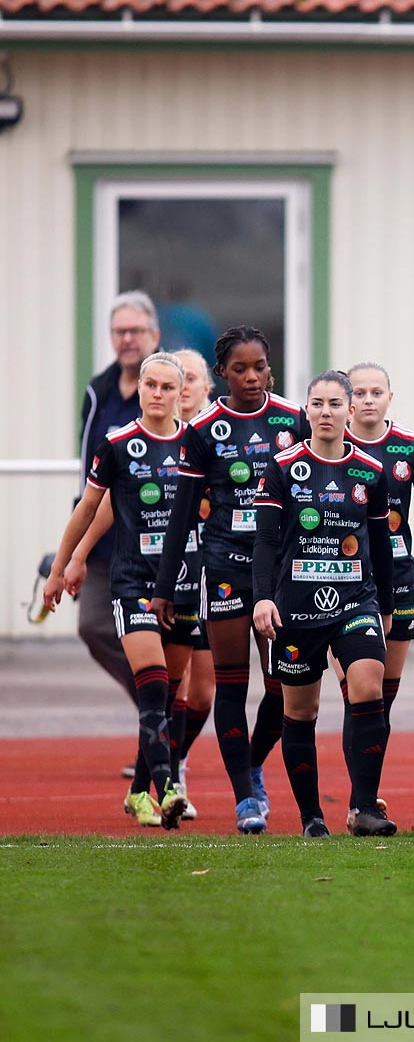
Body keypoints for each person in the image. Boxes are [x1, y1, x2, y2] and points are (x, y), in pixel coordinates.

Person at [155, 326, 309, 834]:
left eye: (259, 366)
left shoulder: (294, 420)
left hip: (281, 574)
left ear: (271, 367)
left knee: (282, 686)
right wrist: (162, 587)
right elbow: (180, 514)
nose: (251, 376)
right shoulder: (204, 429)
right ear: (222, 373)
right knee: (230, 684)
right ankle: (245, 798)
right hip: (222, 566)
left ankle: (252, 762)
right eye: (239, 369)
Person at [64, 346, 218, 821]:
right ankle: (170, 785)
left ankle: (140, 791)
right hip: (133, 583)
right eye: (151, 385)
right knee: (154, 687)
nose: (159, 392)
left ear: (186, 392)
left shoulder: (202, 446)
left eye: (170, 386)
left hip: (189, 584)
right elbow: (94, 507)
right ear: (142, 389)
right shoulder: (118, 444)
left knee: (182, 695)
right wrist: (68, 562)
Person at [250, 370, 397, 838]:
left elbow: (380, 543)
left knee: (368, 685)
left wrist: (387, 606)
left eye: (336, 404)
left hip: (356, 599)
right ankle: (312, 817)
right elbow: (266, 544)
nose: (326, 412)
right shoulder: (281, 467)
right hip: (296, 607)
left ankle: (363, 809)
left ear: (351, 411)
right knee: (301, 712)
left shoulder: (369, 471)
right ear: (306, 410)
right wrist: (262, 600)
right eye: (317, 404)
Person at [339, 361, 414, 829]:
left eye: (375, 392)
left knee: (383, 697)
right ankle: (359, 800)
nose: (366, 399)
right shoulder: (324, 444)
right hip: (339, 584)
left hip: (398, 581)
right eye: (357, 392)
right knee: (358, 691)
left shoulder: (409, 446)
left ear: (389, 396)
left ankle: (365, 795)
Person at [76, 293, 162, 719]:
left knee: (161, 637)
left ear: (154, 335)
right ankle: (158, 710)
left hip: (157, 543)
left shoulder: (167, 387)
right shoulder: (99, 391)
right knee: (92, 627)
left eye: (136, 331)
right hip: (103, 541)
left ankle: (160, 730)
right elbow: (88, 470)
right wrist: (72, 547)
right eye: (120, 331)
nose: (128, 339)